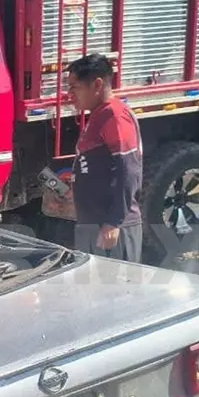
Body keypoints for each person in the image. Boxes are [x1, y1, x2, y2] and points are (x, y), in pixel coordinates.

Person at [65, 53, 144, 262]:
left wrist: (114, 222)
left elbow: (129, 171)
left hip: (110, 229)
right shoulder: (100, 115)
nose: (69, 94)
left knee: (116, 283)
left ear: (97, 84)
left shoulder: (115, 116)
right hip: (93, 225)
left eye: (74, 87)